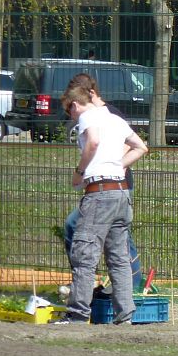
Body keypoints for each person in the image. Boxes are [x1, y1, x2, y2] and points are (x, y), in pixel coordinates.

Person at [54, 83, 148, 325]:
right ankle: (124, 317)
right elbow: (141, 147)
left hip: (99, 194)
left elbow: (93, 141)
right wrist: (117, 165)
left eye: (69, 111)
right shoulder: (115, 120)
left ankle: (77, 315)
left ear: (74, 105)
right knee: (118, 257)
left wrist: (80, 172)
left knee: (84, 255)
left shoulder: (87, 117)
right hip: (121, 193)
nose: (71, 117)